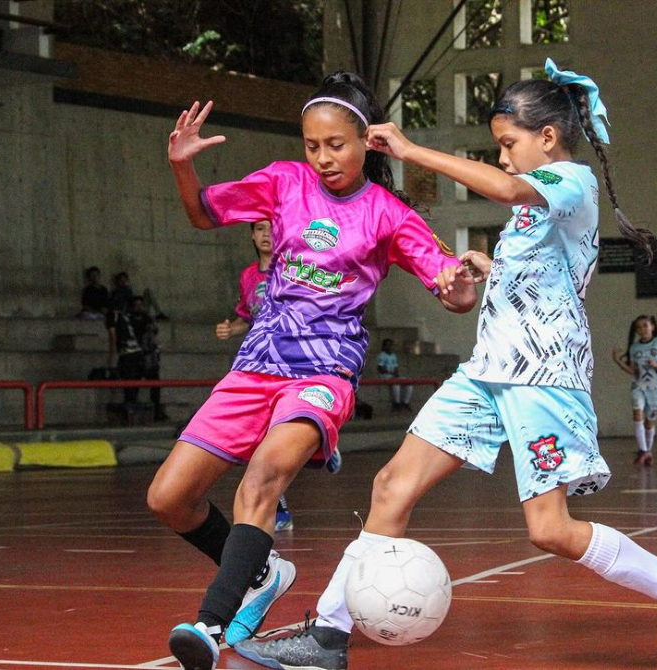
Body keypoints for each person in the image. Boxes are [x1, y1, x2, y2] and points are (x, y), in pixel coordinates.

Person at [235, 58, 657, 670]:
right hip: (487, 372)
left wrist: (413, 152)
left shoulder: (571, 182)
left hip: (544, 378)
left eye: (507, 144)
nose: (502, 158)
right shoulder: (534, 203)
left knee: (549, 529)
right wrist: (490, 272)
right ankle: (329, 636)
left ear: (547, 137)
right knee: (391, 485)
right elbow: (551, 276)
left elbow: (508, 189)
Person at [148, 69, 478, 670]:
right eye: (312, 145)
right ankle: (260, 572)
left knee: (263, 481)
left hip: (325, 370)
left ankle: (211, 623)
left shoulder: (388, 213)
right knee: (169, 497)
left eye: (336, 145)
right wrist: (182, 164)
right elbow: (202, 213)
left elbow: (453, 294)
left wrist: (460, 283)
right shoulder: (283, 182)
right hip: (259, 361)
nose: (323, 158)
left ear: (366, 143)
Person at [215, 220, 305, 533]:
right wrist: (232, 328)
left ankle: (319, 444)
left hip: (293, 361)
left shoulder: (293, 269)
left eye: (271, 228)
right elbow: (246, 316)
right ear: (252, 235)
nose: (266, 234)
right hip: (258, 362)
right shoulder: (247, 276)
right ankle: (277, 505)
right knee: (260, 436)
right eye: (259, 229)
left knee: (277, 435)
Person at [613, 315, 657, 466]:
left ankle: (648, 450)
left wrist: (656, 364)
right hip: (639, 386)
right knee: (637, 413)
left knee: (649, 422)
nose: (642, 329)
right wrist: (618, 361)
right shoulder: (634, 348)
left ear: (652, 326)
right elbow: (633, 371)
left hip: (655, 388)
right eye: (639, 327)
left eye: (645, 325)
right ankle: (643, 451)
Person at [107, 295, 167, 421]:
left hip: (143, 355)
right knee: (131, 385)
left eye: (141, 305)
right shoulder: (124, 318)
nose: (139, 307)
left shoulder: (144, 318)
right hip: (132, 354)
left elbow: (154, 332)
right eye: (136, 305)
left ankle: (155, 411)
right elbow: (115, 338)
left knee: (153, 383)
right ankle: (132, 413)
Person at [376, 338, 413, 411]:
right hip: (385, 377)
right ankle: (396, 404)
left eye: (390, 345)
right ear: (383, 346)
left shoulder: (393, 356)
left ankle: (406, 403)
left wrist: (396, 373)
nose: (389, 347)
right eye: (387, 345)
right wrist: (392, 373)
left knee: (409, 382)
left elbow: (396, 367)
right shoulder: (381, 356)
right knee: (396, 383)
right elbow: (380, 369)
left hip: (393, 376)